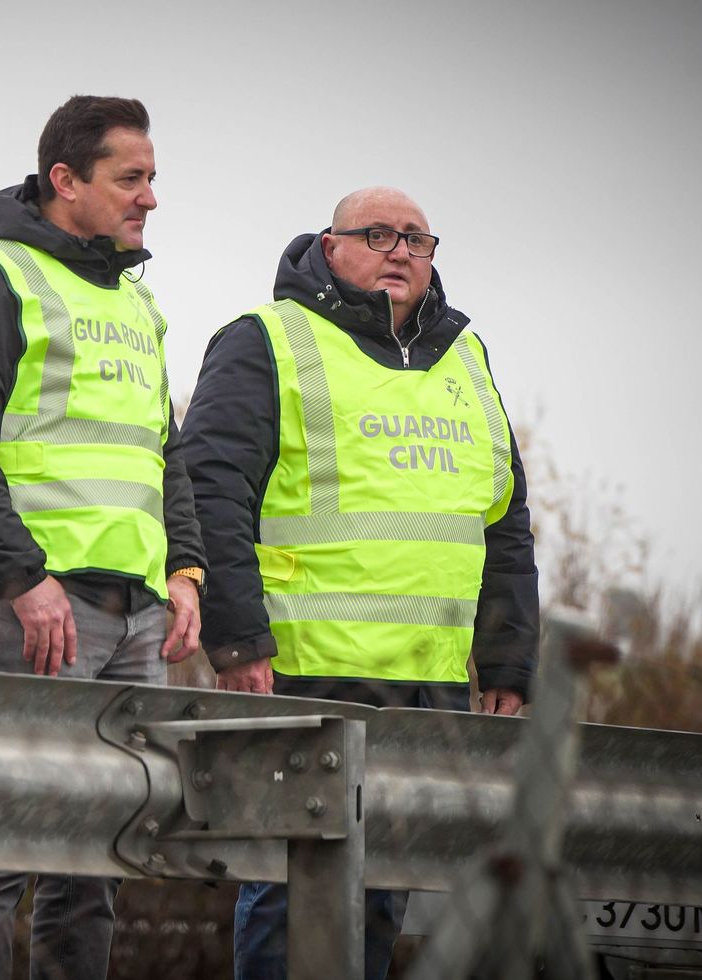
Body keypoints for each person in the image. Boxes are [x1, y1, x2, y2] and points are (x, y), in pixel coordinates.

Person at [179, 187, 539, 979]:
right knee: (290, 897)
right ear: (329, 246)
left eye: (417, 238)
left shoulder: (466, 357)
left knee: (381, 901)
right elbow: (212, 492)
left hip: (429, 687)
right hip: (308, 675)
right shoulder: (267, 340)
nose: (400, 251)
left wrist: (510, 664)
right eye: (378, 235)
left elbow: (504, 523)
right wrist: (236, 639)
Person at [0, 95, 207, 980]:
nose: (150, 197)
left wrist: (185, 571)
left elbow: (163, 450)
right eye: (130, 178)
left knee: (99, 862)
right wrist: (23, 578)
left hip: (134, 615)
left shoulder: (137, 302)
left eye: (152, 178)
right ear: (66, 180)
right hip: (32, 608)